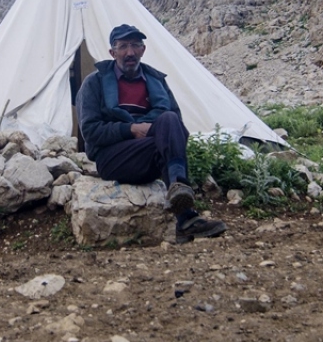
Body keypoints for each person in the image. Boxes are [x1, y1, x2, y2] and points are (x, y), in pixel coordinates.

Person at [76, 24, 227, 244]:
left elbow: (176, 123)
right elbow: (90, 131)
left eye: (135, 45)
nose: (130, 52)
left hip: (150, 153)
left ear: (143, 50)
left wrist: (153, 131)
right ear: (112, 52)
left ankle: (179, 190)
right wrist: (130, 129)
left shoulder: (156, 80)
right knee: (166, 135)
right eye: (123, 46)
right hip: (114, 158)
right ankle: (185, 217)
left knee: (169, 119)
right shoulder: (94, 82)